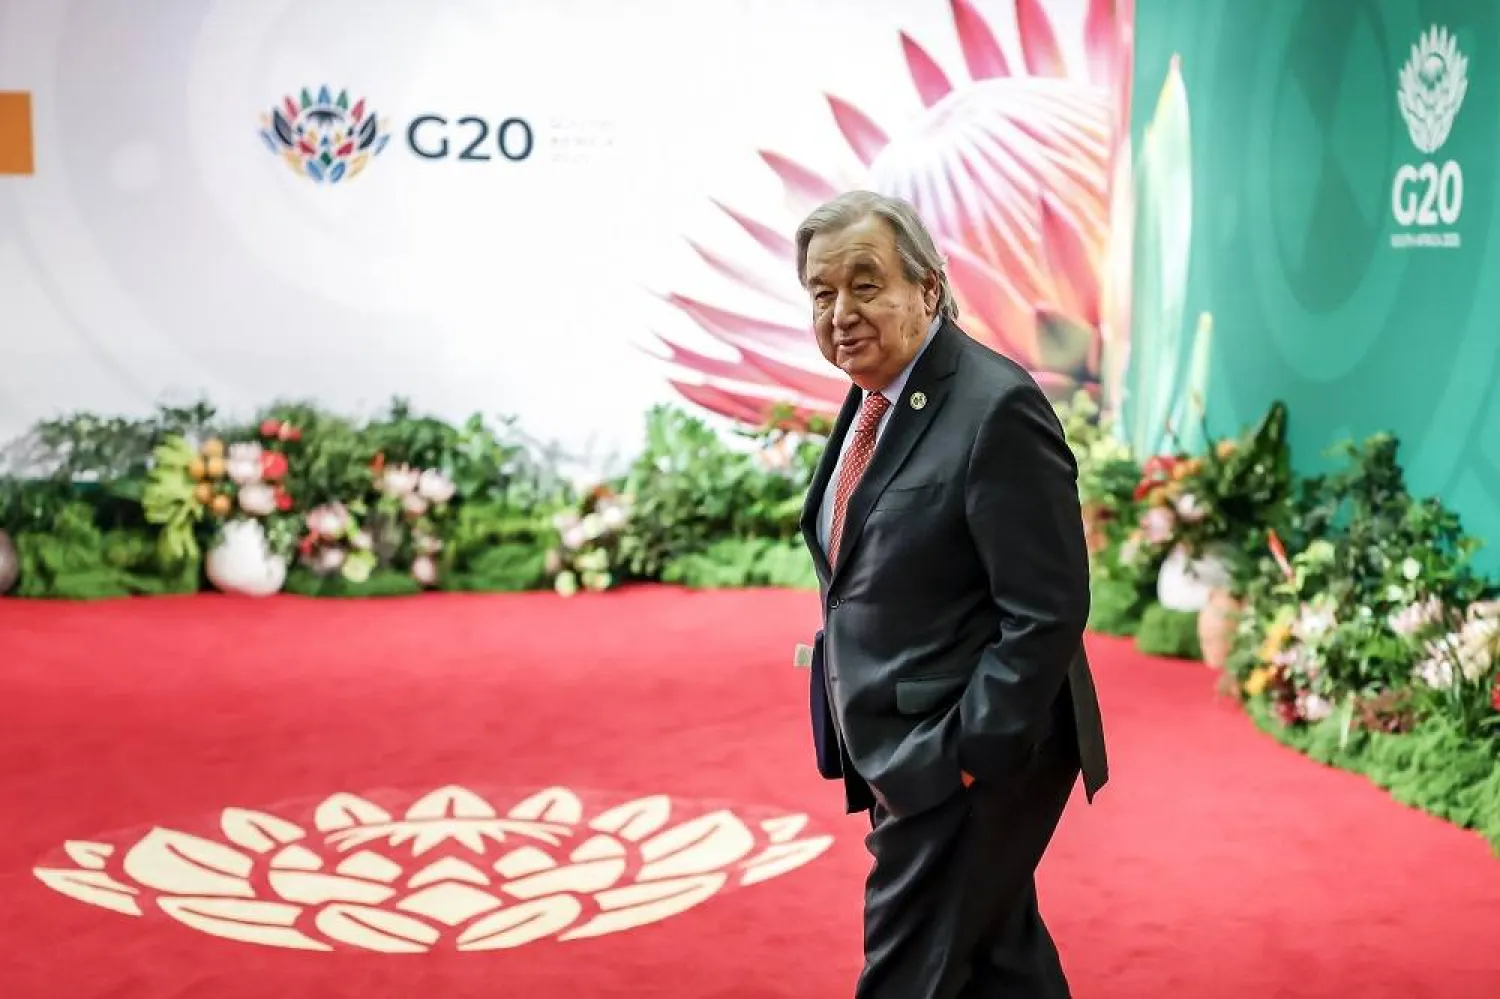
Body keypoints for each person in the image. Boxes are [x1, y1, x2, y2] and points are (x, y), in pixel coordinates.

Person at [794, 190, 1108, 999]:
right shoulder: (877, 396)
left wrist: (967, 755)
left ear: (928, 287)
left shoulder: (994, 406)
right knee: (999, 963)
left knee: (906, 970)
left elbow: (1048, 608)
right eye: (822, 293)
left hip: (963, 752)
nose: (841, 312)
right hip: (908, 743)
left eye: (866, 285)